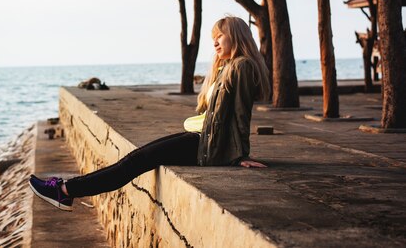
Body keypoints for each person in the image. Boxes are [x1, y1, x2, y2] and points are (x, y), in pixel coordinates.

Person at [29, 16, 271, 211]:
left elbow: (241, 114)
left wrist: (240, 155)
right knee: (134, 159)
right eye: (213, 39)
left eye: (220, 36)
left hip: (206, 146)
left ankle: (64, 191)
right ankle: (64, 190)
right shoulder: (228, 67)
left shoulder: (242, 66)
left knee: (134, 162)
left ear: (237, 36)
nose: (215, 43)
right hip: (202, 138)